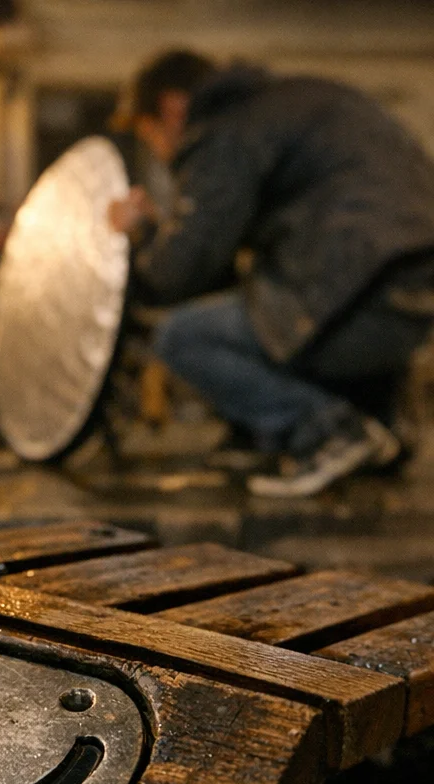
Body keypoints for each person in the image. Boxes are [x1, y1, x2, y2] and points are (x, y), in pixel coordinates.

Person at [109, 51, 434, 497]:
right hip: (410, 294)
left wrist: (140, 233)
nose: (157, 150)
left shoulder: (226, 130)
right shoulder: (290, 103)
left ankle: (330, 431)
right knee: (261, 298)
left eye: (149, 135)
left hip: (359, 293)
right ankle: (379, 432)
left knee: (184, 337)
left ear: (170, 107)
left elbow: (181, 271)